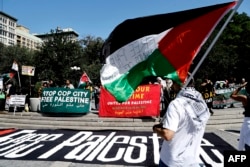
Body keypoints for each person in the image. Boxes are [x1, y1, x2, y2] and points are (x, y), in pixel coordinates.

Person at [153, 75, 210, 167]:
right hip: (192, 160)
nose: (172, 86)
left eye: (174, 83)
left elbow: (168, 135)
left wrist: (156, 128)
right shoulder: (201, 101)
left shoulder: (176, 104)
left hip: (171, 161)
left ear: (180, 84)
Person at [230, 81, 250, 151]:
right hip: (247, 122)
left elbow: (232, 95)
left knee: (246, 143)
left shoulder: (245, 98)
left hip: (248, 122)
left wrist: (240, 87)